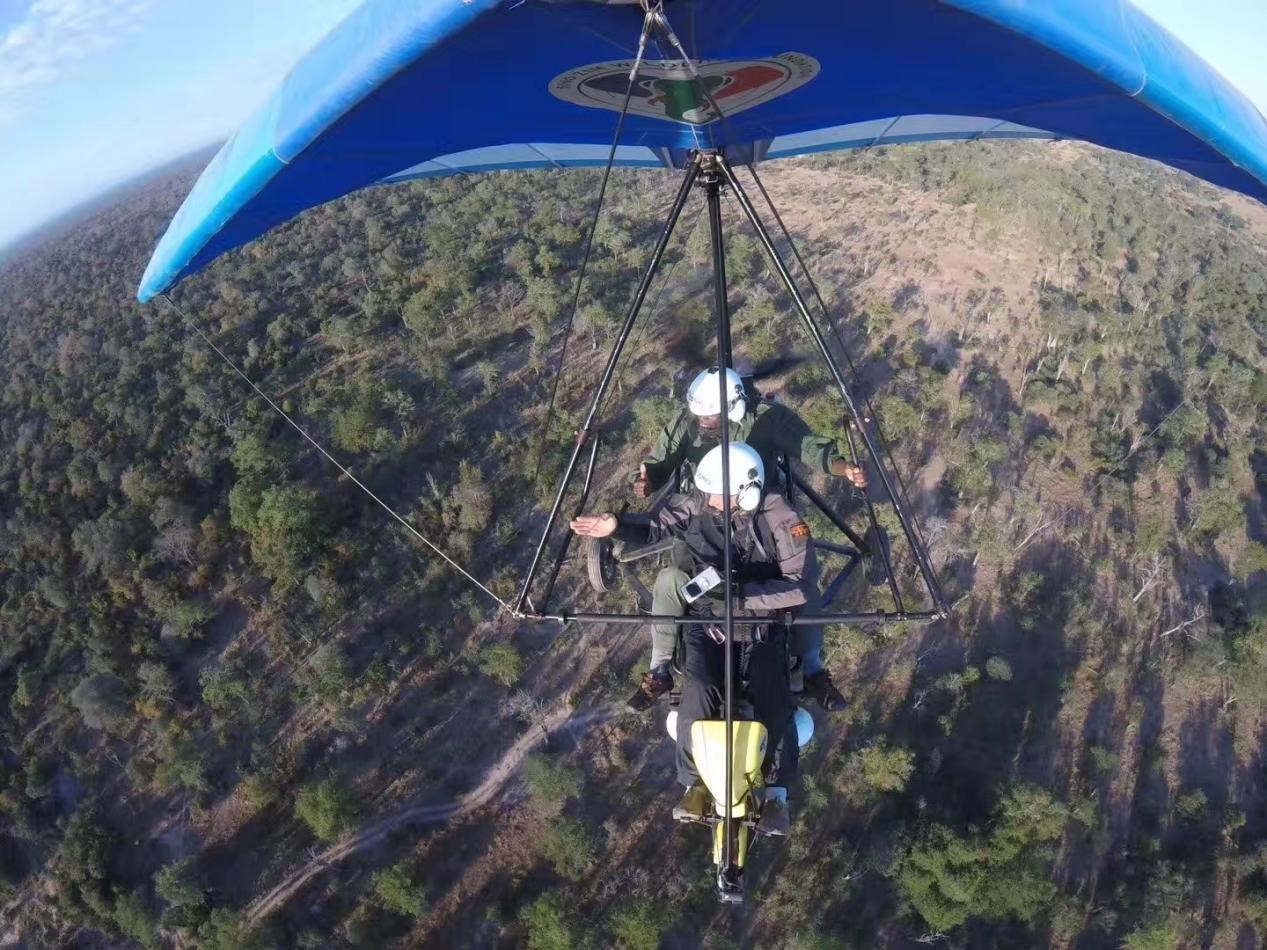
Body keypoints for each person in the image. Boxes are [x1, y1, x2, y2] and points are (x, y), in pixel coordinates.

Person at [571, 442, 802, 834]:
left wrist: (742, 597)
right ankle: (693, 783)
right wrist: (617, 527)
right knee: (699, 687)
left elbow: (798, 586)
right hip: (709, 619)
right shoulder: (698, 504)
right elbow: (655, 526)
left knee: (772, 693)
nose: (711, 502)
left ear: (747, 492)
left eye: (719, 496)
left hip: (761, 621)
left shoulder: (780, 516)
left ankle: (777, 793)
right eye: (709, 493)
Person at [629, 366, 860, 713]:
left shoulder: (767, 418)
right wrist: (647, 480)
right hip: (704, 513)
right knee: (673, 578)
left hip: (760, 517)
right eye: (700, 415)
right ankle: (660, 668)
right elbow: (661, 459)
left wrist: (843, 468)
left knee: (801, 585)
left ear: (733, 407)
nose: (703, 421)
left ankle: (813, 669)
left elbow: (809, 446)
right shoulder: (691, 422)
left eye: (711, 416)